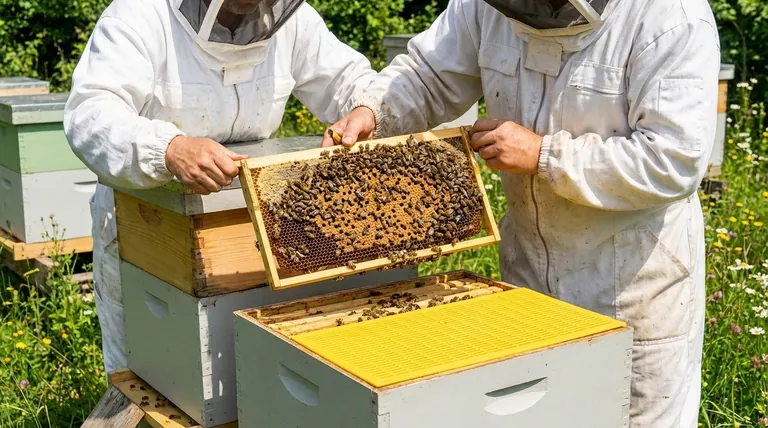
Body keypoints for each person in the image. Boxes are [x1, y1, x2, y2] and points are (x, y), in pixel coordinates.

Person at [324, 0, 720, 426]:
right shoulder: (486, 7)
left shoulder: (669, 16)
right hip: (527, 275)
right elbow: (429, 76)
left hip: (631, 289)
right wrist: (374, 110)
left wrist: (544, 155)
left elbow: (673, 160)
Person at [64, 0, 376, 376]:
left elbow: (350, 81)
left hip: (255, 231)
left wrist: (365, 107)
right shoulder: (139, 15)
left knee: (254, 376)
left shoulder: (295, 23)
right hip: (146, 228)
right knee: (149, 378)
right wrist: (168, 148)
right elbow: (90, 113)